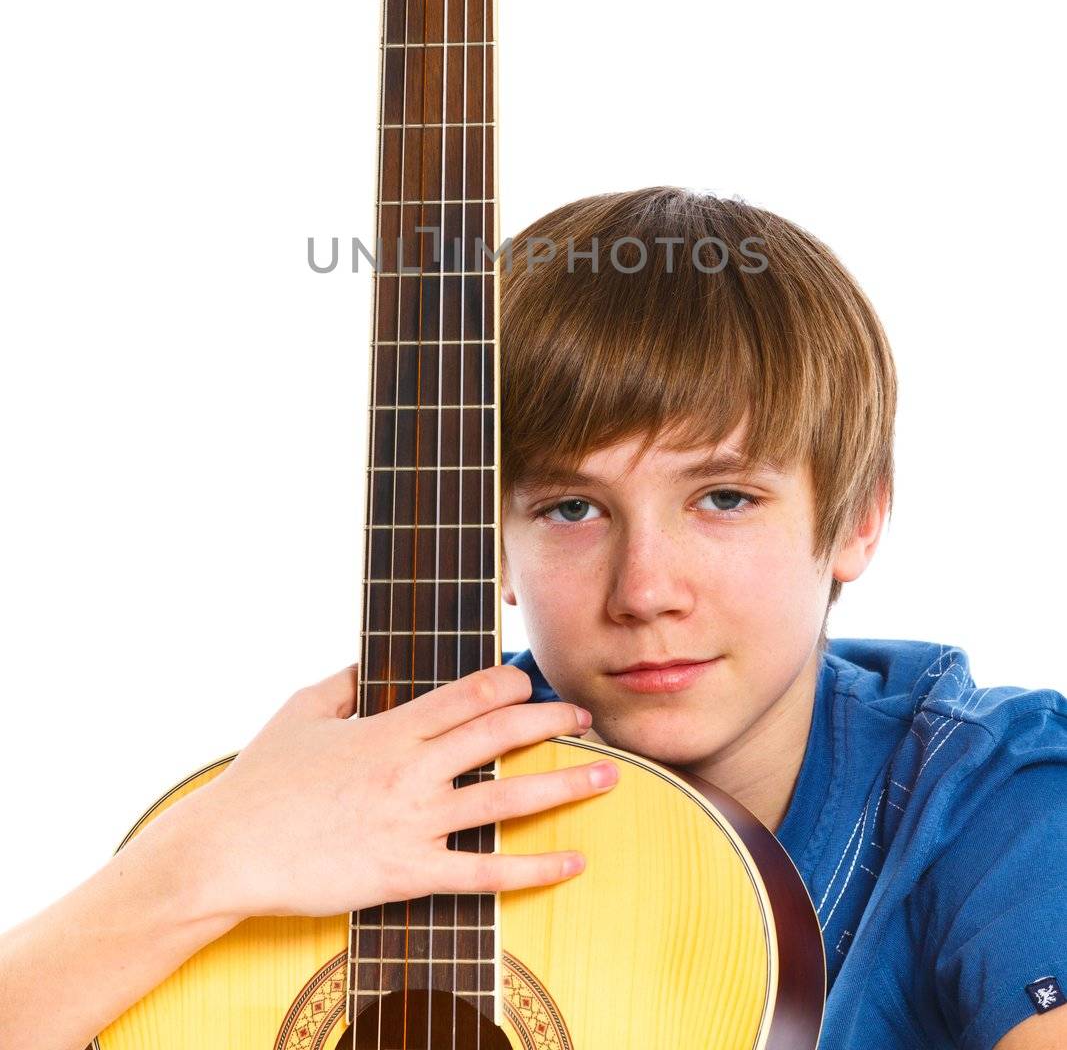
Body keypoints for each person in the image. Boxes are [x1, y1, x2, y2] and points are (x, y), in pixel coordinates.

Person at [1, 187, 1064, 1050]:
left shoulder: (985, 793)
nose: (644, 588)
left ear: (857, 518)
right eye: (569, 507)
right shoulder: (373, 784)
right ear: (487, 539)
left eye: (722, 498)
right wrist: (197, 863)